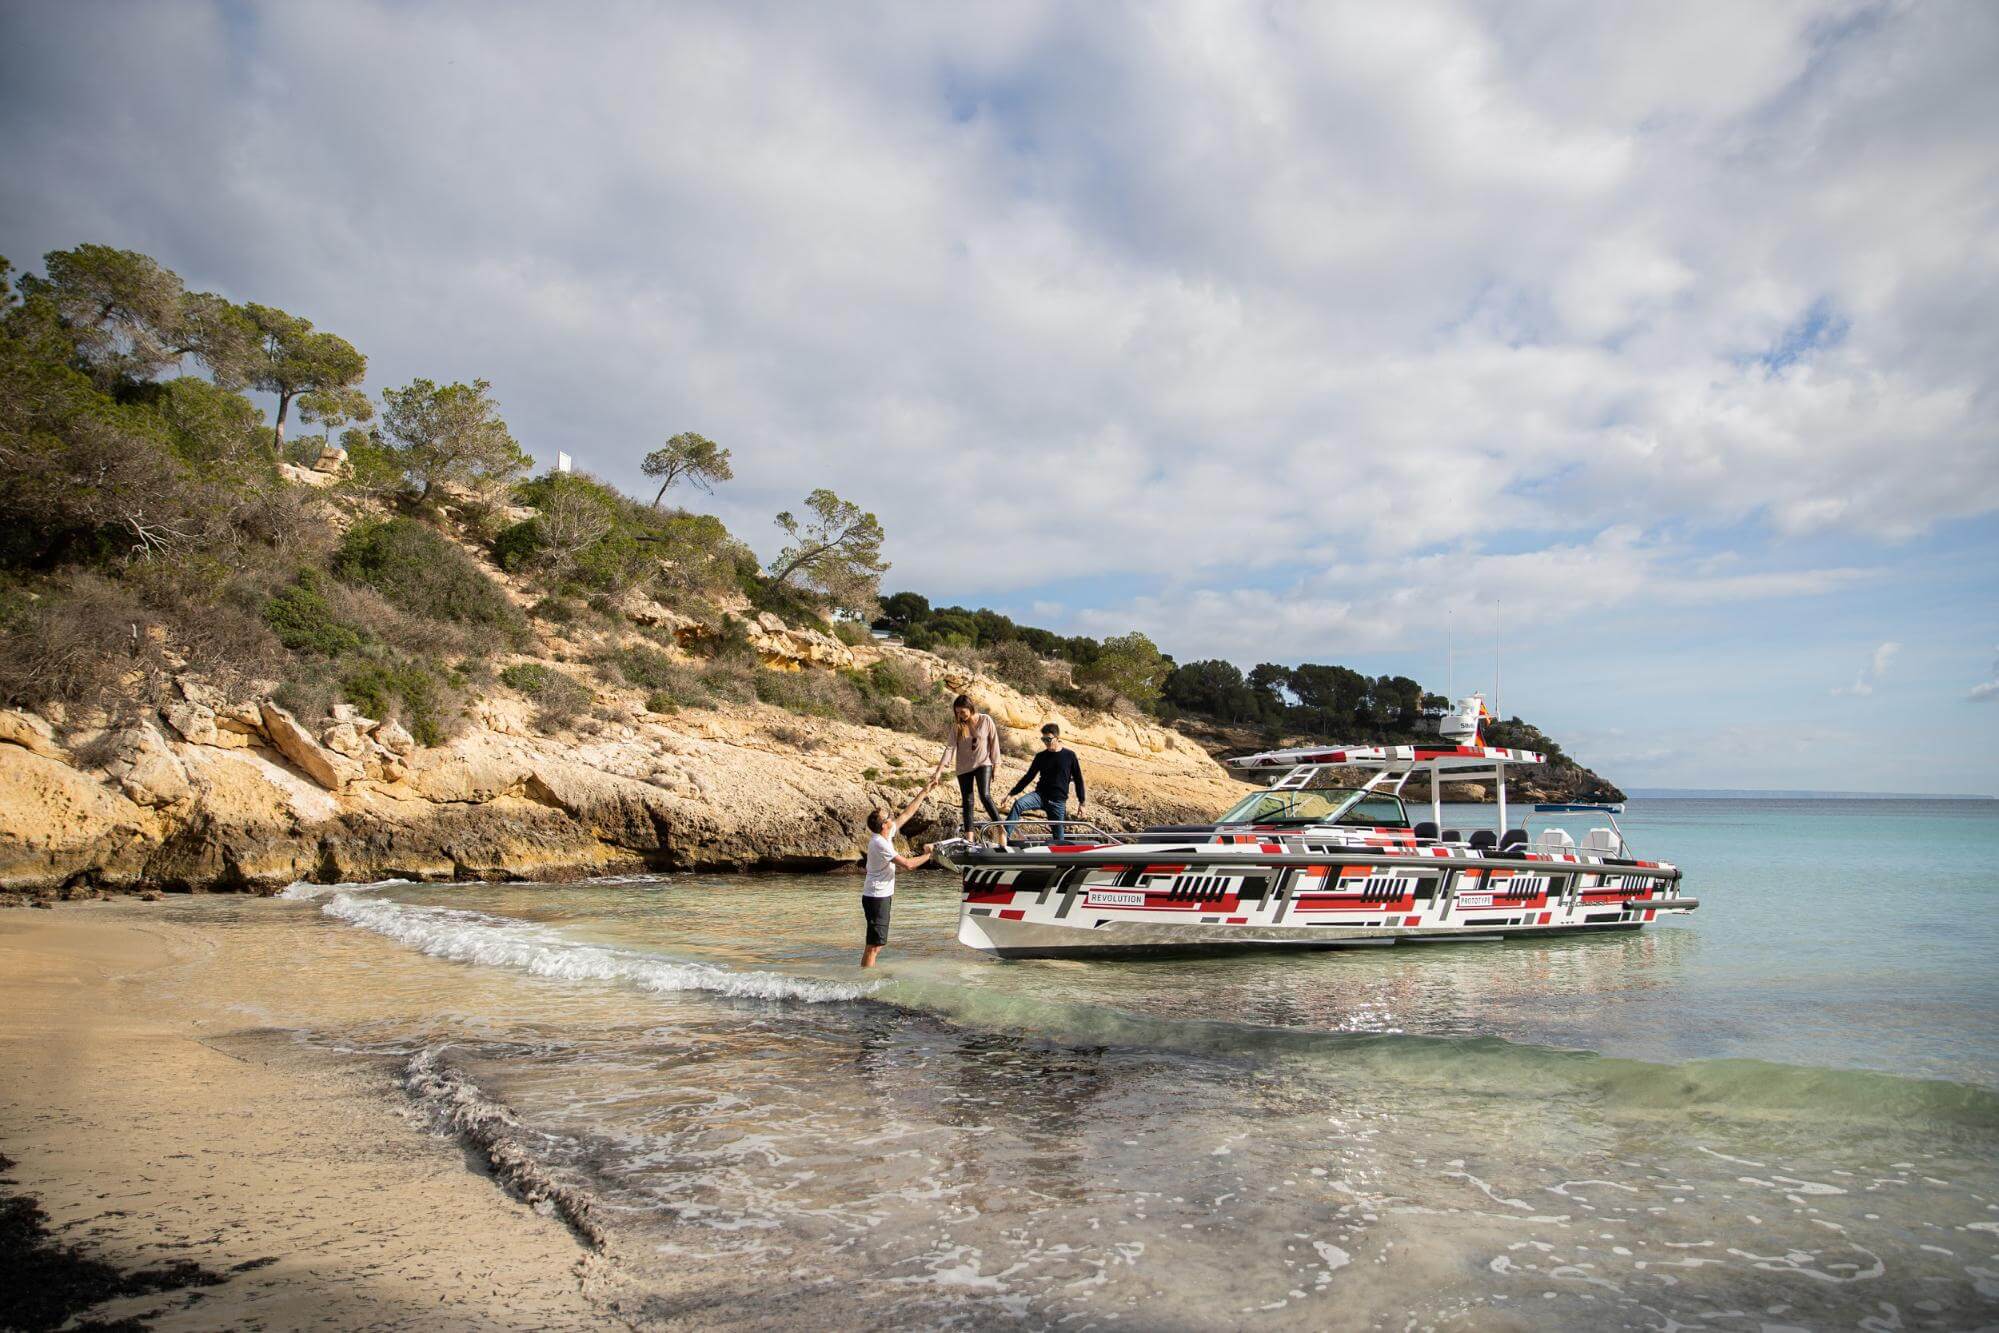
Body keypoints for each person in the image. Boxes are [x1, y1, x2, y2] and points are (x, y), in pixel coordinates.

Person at [860, 773, 940, 968]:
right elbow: (908, 864)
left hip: (880, 895)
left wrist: (924, 791)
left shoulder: (885, 835)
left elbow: (907, 814)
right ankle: (865, 984)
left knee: (876, 945)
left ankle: (865, 977)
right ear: (884, 825)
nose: (892, 817)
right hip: (876, 896)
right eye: (889, 817)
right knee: (874, 945)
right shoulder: (880, 843)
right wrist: (930, 855)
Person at [934, 694, 1004, 843]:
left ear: (970, 708)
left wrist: (996, 765)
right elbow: (949, 748)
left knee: (984, 795)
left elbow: (994, 742)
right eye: (957, 712)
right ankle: (969, 839)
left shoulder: (986, 720)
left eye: (962, 712)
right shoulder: (957, 726)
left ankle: (1000, 829)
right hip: (963, 767)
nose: (960, 715)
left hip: (983, 763)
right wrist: (938, 771)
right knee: (967, 801)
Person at [1004, 722, 1086, 842]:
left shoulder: (1069, 756)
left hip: (1058, 802)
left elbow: (1078, 779)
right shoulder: (1040, 756)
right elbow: (1028, 777)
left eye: (1048, 739)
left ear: (1057, 738)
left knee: (1059, 838)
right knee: (1018, 805)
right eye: (1043, 739)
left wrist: (1082, 803)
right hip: (1039, 796)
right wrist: (1011, 794)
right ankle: (1004, 838)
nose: (1046, 743)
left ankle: (1061, 859)